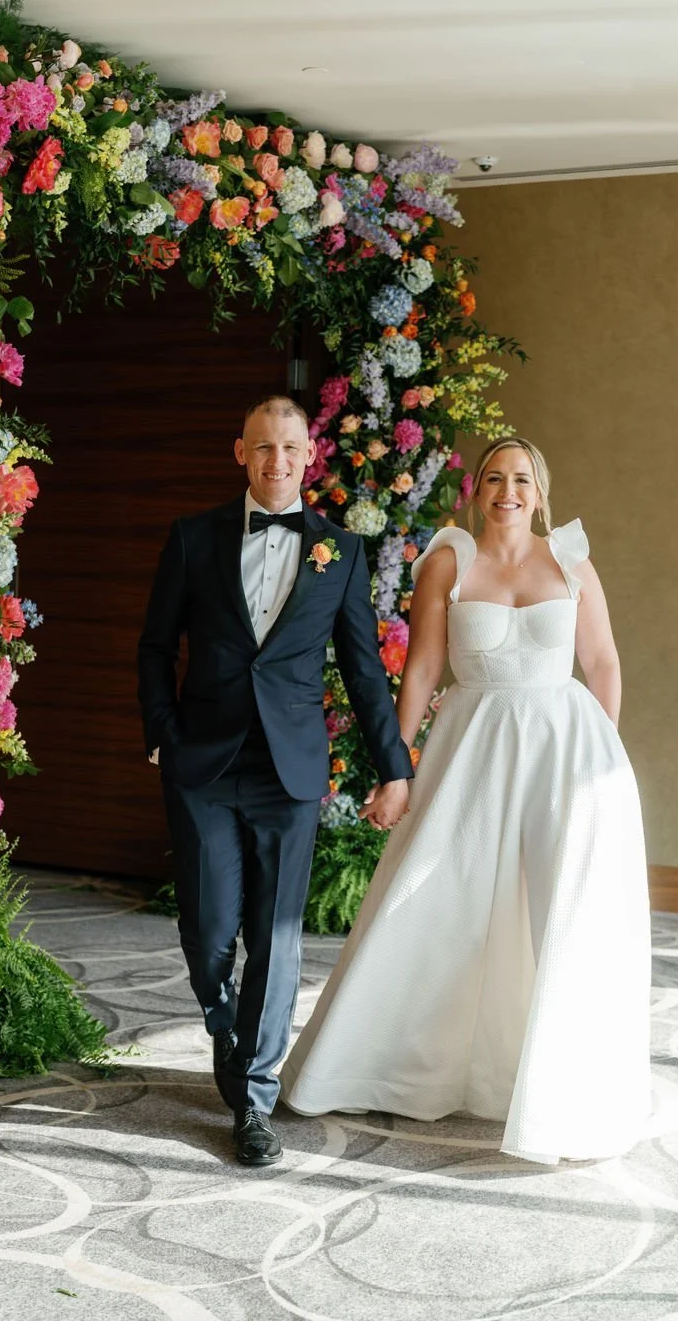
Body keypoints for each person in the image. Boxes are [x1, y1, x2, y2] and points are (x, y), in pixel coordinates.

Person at [279, 437, 652, 1163]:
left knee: (558, 909)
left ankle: (557, 1085)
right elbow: (420, 668)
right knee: (436, 894)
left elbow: (602, 662)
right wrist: (396, 766)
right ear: (474, 490)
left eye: (521, 480)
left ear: (540, 493)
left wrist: (601, 756)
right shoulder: (449, 561)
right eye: (493, 478)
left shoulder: (572, 563)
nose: (507, 490)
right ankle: (384, 1062)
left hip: (565, 756)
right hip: (471, 747)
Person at [137, 395, 412, 1166]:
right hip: (202, 764)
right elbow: (156, 646)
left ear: (309, 455)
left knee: (278, 938)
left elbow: (363, 671)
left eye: (290, 447)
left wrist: (395, 767)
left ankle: (253, 1102)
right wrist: (164, 736)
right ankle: (226, 1025)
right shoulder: (194, 539)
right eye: (263, 447)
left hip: (288, 771)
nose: (277, 460)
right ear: (240, 453)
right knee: (207, 927)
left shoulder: (342, 551)